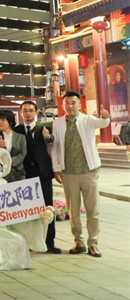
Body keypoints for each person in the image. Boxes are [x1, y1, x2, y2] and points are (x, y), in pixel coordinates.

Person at [50, 91, 111, 258]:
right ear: (63, 106)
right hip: (68, 172)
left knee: (93, 209)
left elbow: (103, 123)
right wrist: (56, 168)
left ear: (79, 105)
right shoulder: (58, 123)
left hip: (89, 171)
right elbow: (54, 147)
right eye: (67, 103)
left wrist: (106, 117)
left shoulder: (87, 120)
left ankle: (93, 243)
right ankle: (79, 242)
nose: (70, 106)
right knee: (73, 210)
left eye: (73, 103)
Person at [17, 100, 59, 253]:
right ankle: (28, 242)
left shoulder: (45, 127)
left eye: (31, 110)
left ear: (36, 112)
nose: (28, 113)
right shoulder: (17, 130)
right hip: (24, 175)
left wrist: (48, 138)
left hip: (43, 174)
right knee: (26, 210)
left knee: (48, 207)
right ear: (21, 113)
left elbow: (52, 141)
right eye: (25, 110)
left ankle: (50, 242)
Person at [0, 110, 27, 183]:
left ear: (10, 122)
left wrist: (9, 162)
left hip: (18, 172)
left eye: (3, 120)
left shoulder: (21, 137)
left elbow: (23, 153)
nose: (0, 122)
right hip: (0, 173)